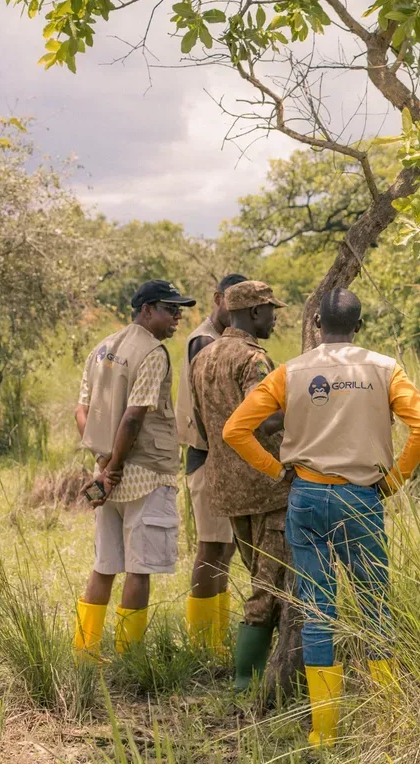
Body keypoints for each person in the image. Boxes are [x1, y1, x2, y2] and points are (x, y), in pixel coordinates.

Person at [223, 287, 420, 748]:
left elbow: (235, 429)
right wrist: (394, 481)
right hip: (362, 497)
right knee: (376, 607)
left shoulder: (290, 371)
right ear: (359, 326)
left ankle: (324, 732)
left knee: (318, 610)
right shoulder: (384, 368)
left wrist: (275, 469)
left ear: (317, 324)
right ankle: (389, 725)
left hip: (305, 496)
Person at [73, 280, 196, 658]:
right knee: (139, 569)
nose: (177, 317)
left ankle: (85, 651)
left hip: (107, 475)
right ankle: (129, 656)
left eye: (179, 310)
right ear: (146, 310)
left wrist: (103, 463)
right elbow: (133, 417)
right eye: (169, 309)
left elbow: (81, 410)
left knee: (105, 564)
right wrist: (115, 466)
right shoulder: (153, 352)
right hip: (144, 475)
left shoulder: (102, 347)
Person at [190, 280, 292, 690]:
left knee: (259, 575)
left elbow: (202, 424)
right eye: (270, 310)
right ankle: (246, 683)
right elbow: (263, 419)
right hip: (267, 487)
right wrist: (301, 407)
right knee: (268, 587)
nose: (274, 318)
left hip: (226, 487)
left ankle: (251, 675)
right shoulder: (254, 360)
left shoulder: (203, 356)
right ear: (253, 312)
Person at [176, 271, 248, 651]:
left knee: (225, 547)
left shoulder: (224, 340)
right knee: (210, 547)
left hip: (223, 455)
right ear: (217, 298)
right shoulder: (204, 341)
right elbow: (211, 409)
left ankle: (217, 637)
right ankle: (202, 643)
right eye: (230, 301)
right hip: (208, 454)